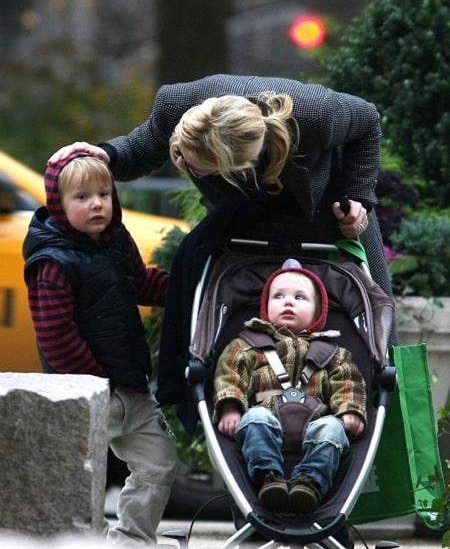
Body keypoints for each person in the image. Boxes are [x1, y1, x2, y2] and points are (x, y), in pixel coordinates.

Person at [47, 74, 394, 429]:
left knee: (379, 324)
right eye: (180, 150)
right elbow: (147, 143)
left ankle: (378, 430)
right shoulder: (175, 102)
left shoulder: (314, 114)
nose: (179, 162)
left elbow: (368, 120)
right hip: (243, 217)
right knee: (231, 320)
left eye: (192, 163)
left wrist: (357, 198)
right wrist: (109, 154)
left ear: (233, 165)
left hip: (326, 216)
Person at [22, 153, 178, 547]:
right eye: (82, 197)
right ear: (58, 205)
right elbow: (56, 335)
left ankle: (131, 539)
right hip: (86, 392)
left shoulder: (116, 241)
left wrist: (187, 288)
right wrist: (95, 385)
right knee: (75, 475)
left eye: (104, 194)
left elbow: (141, 282)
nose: (97, 204)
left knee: (158, 462)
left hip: (131, 385)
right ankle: (77, 540)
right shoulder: (52, 263)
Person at [213, 260, 367, 514]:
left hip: (316, 423)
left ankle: (310, 482)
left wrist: (349, 410)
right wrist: (230, 406)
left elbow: (348, 380)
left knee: (333, 429)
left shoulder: (332, 353)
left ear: (318, 312)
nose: (288, 302)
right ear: (265, 307)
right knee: (254, 418)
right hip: (267, 416)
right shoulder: (248, 344)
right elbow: (229, 373)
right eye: (279, 296)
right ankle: (268, 477)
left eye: (299, 297)